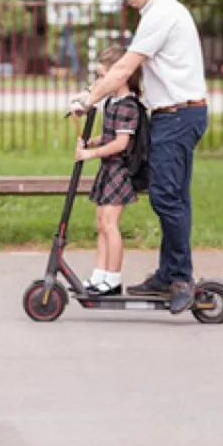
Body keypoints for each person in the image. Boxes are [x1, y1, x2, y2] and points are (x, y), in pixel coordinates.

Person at [68, 0, 208, 315]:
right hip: (173, 115)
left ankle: (180, 278)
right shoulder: (159, 12)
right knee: (174, 197)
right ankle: (170, 273)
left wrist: (89, 98)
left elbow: (124, 68)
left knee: (166, 196)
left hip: (178, 116)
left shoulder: (161, 14)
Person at [74, 45, 144, 297]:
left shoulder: (128, 105)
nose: (99, 82)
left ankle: (112, 279)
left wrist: (89, 154)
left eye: (103, 76)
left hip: (119, 172)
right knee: (101, 223)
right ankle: (99, 275)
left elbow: (121, 143)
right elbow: (110, 136)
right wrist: (93, 141)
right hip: (108, 169)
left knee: (110, 224)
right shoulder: (112, 103)